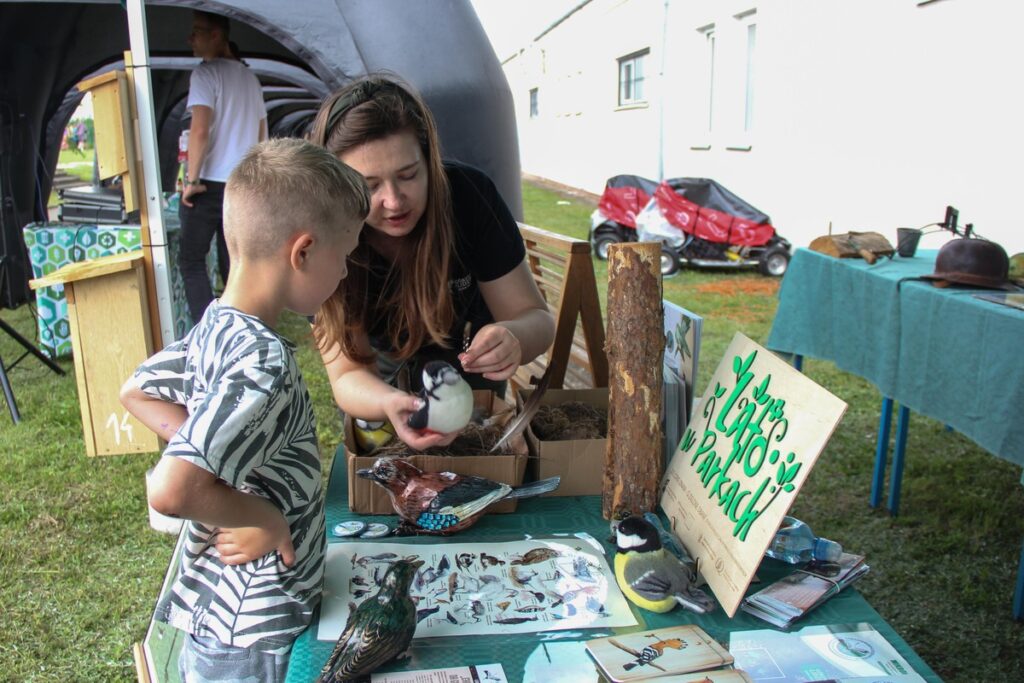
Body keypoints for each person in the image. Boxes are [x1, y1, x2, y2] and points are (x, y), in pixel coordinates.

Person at [120, 138, 370, 682]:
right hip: (252, 631)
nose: (345, 274)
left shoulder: (218, 323)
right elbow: (170, 491)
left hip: (225, 622)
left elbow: (136, 391)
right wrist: (262, 515)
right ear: (303, 252)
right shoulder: (262, 362)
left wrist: (219, 466)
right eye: (345, 256)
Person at [309, 75, 556, 451]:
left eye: (408, 175)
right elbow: (347, 373)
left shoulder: (469, 197)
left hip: (471, 375)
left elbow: (536, 318)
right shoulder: (326, 232)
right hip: (382, 380)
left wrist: (515, 338)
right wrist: (388, 402)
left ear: (430, 160)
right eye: (369, 186)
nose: (394, 201)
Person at [179, 9, 267, 323]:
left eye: (196, 31)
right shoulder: (250, 78)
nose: (190, 38)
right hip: (244, 183)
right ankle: (242, 325)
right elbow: (262, 134)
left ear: (216, 35)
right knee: (236, 262)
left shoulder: (205, 74)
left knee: (191, 261)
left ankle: (209, 331)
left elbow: (200, 130)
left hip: (209, 184)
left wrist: (191, 181)